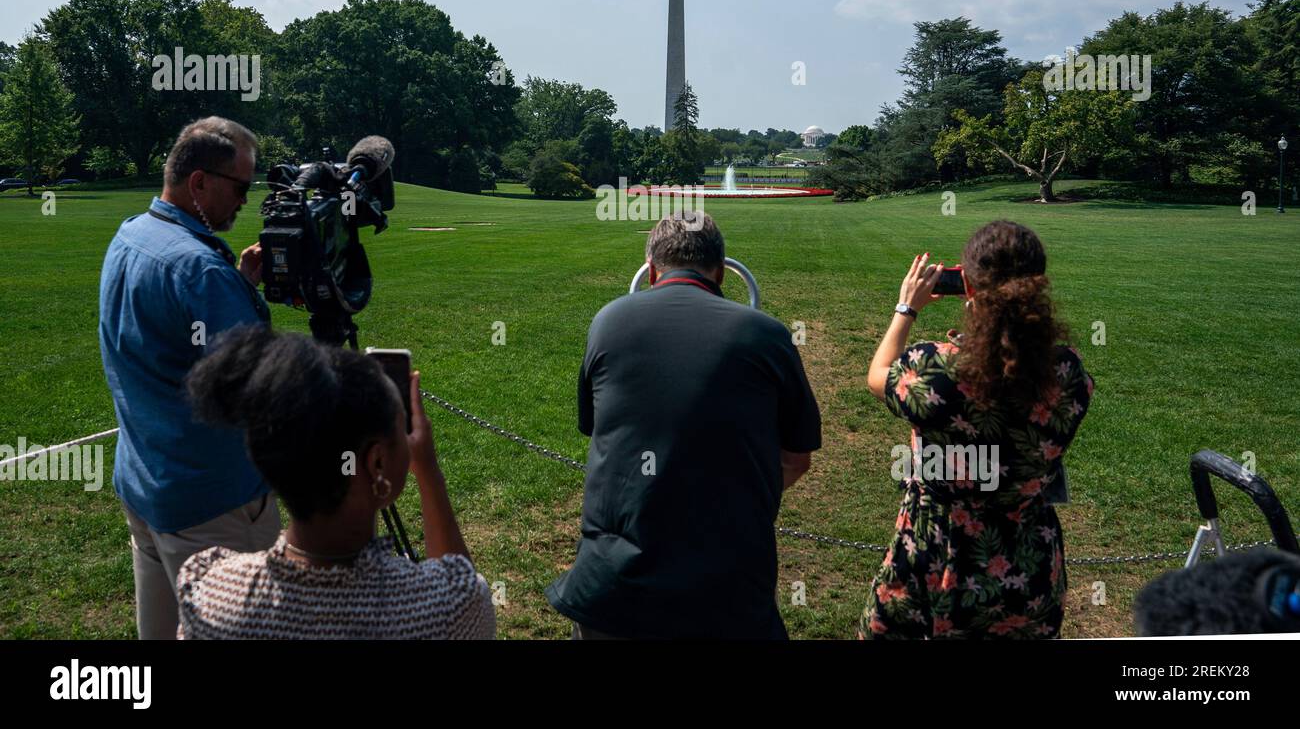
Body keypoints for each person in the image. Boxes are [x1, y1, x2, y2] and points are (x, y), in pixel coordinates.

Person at [546, 210, 822, 639]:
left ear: (652, 269)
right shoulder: (768, 334)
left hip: (613, 589)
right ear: (722, 273)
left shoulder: (607, 321)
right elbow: (796, 458)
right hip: (728, 589)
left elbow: (596, 430)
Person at [176, 325, 495, 639]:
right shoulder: (445, 607)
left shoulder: (209, 594)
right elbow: (463, 592)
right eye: (401, 428)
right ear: (377, 463)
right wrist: (428, 470)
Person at [859, 220, 1093, 639]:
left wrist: (906, 308)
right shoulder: (1067, 372)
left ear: (965, 283)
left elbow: (878, 375)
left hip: (935, 552)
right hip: (1027, 558)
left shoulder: (935, 368)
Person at [99, 116, 277, 640]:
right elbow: (254, 390)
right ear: (199, 182)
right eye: (240, 187)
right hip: (213, 504)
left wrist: (238, 287)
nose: (245, 201)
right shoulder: (200, 272)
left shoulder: (132, 234)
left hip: (146, 488)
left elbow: (172, 342)